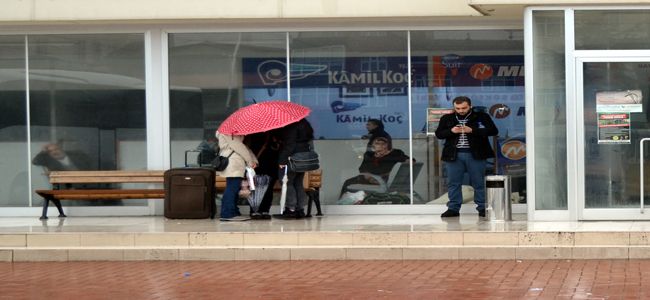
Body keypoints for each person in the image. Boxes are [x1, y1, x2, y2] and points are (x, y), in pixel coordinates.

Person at [435, 96, 498, 218]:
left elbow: (493, 131)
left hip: (476, 154)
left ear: (470, 106)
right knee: (453, 183)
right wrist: (451, 131)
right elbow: (439, 134)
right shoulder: (447, 118)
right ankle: (453, 208)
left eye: (464, 108)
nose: (461, 110)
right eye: (457, 108)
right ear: (454, 107)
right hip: (453, 155)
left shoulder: (481, 117)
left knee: (478, 182)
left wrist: (472, 130)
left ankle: (482, 207)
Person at [32, 143, 121, 206]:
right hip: (67, 189)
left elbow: (93, 164)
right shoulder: (50, 162)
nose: (55, 152)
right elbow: (35, 161)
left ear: (61, 149)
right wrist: (43, 151)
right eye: (51, 152)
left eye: (56, 149)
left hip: (89, 185)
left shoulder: (77, 155)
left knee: (110, 196)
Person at [339, 137, 410, 197]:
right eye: (377, 143)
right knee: (348, 182)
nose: (380, 145)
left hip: (379, 181)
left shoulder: (395, 153)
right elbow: (362, 168)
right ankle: (346, 201)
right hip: (368, 178)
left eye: (383, 144)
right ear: (373, 145)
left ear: (387, 145)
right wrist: (367, 175)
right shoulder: (369, 154)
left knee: (349, 183)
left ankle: (344, 203)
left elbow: (408, 159)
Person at [215, 132, 258, 221]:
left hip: (236, 163)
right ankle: (227, 213)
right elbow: (239, 147)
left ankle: (233, 212)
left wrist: (253, 160)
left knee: (234, 188)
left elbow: (243, 147)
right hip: (233, 162)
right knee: (232, 188)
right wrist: (250, 161)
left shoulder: (234, 133)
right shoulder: (227, 132)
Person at [277, 118, 314, 219]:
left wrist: (282, 160)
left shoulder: (292, 126)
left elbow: (290, 145)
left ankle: (291, 208)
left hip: (292, 158)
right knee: (298, 183)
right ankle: (300, 209)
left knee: (287, 182)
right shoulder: (306, 125)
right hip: (303, 159)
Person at [244, 130, 281, 220]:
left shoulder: (274, 134)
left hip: (267, 165)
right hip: (258, 165)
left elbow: (278, 148)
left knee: (264, 189)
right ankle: (259, 210)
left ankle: (260, 211)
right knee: (258, 188)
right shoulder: (252, 133)